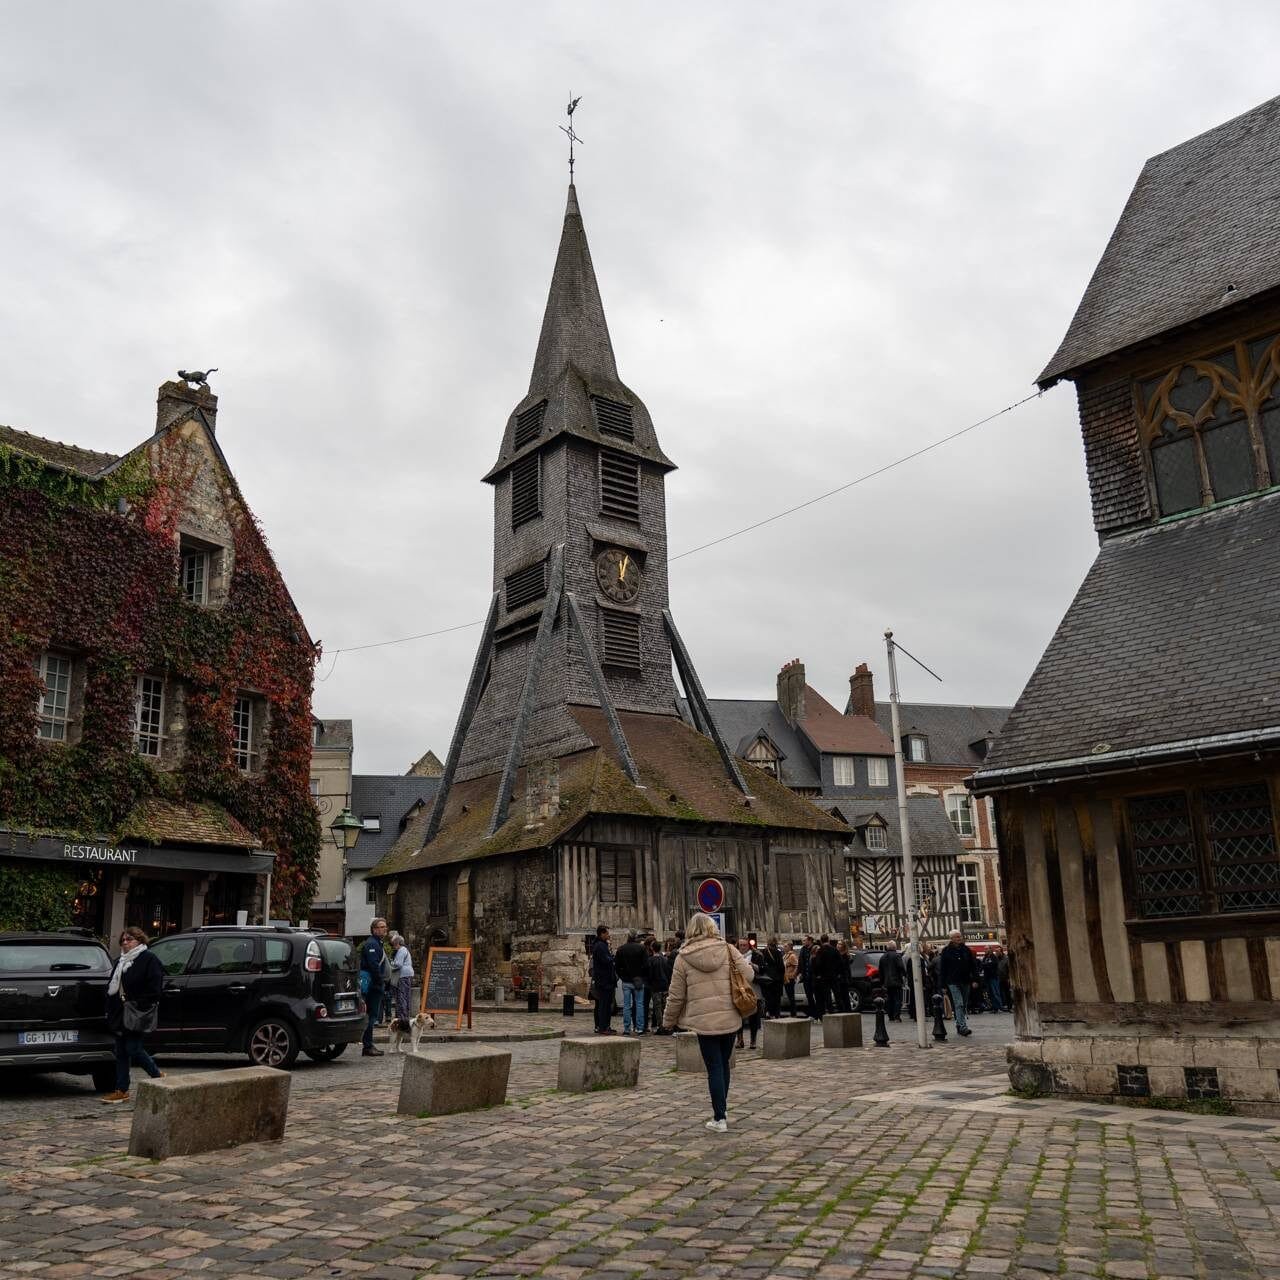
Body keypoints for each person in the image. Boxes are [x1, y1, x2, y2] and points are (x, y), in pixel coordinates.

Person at [663, 913, 756, 1132]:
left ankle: (719, 1117)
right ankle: (721, 1109)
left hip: (704, 1022)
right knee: (723, 1064)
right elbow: (749, 975)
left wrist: (668, 1021)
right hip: (729, 1016)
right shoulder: (728, 949)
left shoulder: (683, 957)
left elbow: (676, 995)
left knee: (714, 1067)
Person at [100, 926, 164, 1103]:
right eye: (123, 940)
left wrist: (138, 1004)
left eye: (129, 939)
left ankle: (156, 1074)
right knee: (120, 1052)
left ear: (140, 941)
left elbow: (155, 988)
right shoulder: (120, 961)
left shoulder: (149, 959)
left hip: (136, 1013)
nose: (125, 943)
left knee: (133, 1049)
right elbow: (112, 987)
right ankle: (121, 1090)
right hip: (120, 1014)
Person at [937, 931, 979, 1036]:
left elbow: (973, 966)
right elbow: (943, 969)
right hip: (952, 981)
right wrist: (943, 985)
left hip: (965, 980)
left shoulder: (966, 950)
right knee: (958, 1003)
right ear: (951, 938)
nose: (959, 938)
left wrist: (975, 979)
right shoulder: (946, 951)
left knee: (963, 1004)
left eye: (959, 936)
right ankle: (963, 1026)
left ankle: (958, 1024)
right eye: (956, 937)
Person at [360, 917, 390, 1056]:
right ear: (374, 929)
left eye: (385, 926)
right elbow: (373, 966)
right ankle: (368, 1046)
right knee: (371, 1015)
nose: (385, 929)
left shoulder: (377, 943)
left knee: (371, 1015)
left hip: (375, 984)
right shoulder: (372, 944)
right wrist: (379, 983)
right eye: (382, 927)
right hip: (373, 985)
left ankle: (368, 1044)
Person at [614, 930, 648, 1035]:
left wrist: (622, 976)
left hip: (626, 980)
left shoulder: (621, 949)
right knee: (639, 1004)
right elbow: (646, 965)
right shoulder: (641, 948)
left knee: (626, 1005)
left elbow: (617, 966)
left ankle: (627, 1028)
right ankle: (640, 1028)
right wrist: (642, 976)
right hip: (638, 980)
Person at [590, 924, 617, 1035]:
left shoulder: (602, 945)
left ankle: (606, 1025)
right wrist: (613, 958)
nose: (608, 935)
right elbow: (606, 960)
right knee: (604, 1005)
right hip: (604, 980)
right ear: (602, 934)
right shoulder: (600, 946)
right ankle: (603, 1026)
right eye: (607, 933)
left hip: (606, 980)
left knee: (606, 1005)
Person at [736, 939, 762, 1048]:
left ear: (748, 946)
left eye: (744, 945)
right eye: (740, 945)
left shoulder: (756, 955)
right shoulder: (734, 956)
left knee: (754, 1016)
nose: (742, 947)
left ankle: (753, 1040)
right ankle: (740, 1040)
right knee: (738, 1017)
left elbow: (762, 969)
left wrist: (752, 965)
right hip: (739, 989)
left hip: (753, 988)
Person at [645, 938, 670, 1033]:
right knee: (664, 1007)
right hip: (664, 985)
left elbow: (650, 974)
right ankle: (665, 1024)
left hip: (655, 986)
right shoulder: (664, 959)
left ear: (652, 948)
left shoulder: (650, 960)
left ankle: (661, 1026)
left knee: (658, 1007)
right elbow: (668, 972)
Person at [389, 932, 415, 1022]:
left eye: (394, 945)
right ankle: (404, 1015)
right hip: (407, 975)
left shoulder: (401, 950)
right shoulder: (404, 950)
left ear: (397, 943)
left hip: (403, 975)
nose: (393, 947)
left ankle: (402, 1017)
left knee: (402, 996)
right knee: (405, 996)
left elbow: (398, 964)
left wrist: (390, 963)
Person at [757, 936, 785, 1019]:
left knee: (768, 998)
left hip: (767, 979)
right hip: (777, 979)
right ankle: (777, 1014)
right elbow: (781, 967)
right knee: (777, 999)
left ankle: (769, 1013)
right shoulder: (778, 952)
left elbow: (761, 965)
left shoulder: (763, 952)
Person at [879, 940, 906, 1021]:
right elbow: (901, 967)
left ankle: (890, 1016)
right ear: (895, 947)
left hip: (887, 982)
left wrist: (882, 982)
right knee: (898, 999)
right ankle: (896, 1015)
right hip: (896, 981)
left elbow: (880, 971)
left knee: (889, 999)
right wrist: (904, 975)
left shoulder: (882, 957)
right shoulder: (897, 956)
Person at [979, 947, 1004, 1013]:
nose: (985, 950)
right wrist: (986, 965)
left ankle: (999, 1007)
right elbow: (983, 965)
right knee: (990, 993)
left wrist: (986, 965)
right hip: (987, 977)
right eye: (985, 949)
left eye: (987, 949)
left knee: (995, 992)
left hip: (993, 977)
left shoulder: (993, 957)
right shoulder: (985, 958)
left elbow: (993, 965)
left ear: (990, 949)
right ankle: (994, 1007)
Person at [782, 941, 800, 1017]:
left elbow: (797, 965)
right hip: (786, 978)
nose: (784, 948)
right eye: (784, 946)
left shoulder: (792, 956)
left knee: (791, 996)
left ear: (790, 947)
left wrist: (793, 974)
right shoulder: (785, 955)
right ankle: (792, 1012)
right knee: (789, 996)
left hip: (790, 978)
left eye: (785, 946)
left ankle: (793, 1013)